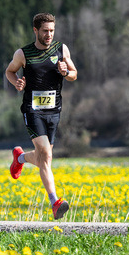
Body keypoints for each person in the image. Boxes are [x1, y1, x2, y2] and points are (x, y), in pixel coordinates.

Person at [5, 12, 78, 220]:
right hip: (32, 109)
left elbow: (74, 74)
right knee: (46, 155)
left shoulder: (61, 49)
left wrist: (65, 72)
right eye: (45, 31)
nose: (49, 35)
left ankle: (19, 157)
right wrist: (16, 82)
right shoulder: (23, 53)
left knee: (42, 157)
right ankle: (55, 202)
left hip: (54, 110)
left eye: (52, 31)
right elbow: (9, 71)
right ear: (35, 30)